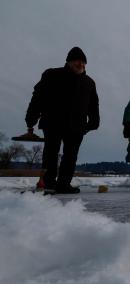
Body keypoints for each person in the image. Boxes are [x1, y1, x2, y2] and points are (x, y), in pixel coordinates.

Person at [25, 47, 100, 194]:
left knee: (71, 156)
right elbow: (38, 97)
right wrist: (31, 118)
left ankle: (63, 184)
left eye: (83, 62)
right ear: (69, 61)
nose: (81, 64)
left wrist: (94, 122)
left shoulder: (89, 82)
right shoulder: (52, 75)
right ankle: (48, 183)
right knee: (50, 153)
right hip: (53, 122)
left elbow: (93, 104)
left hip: (77, 125)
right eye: (77, 61)